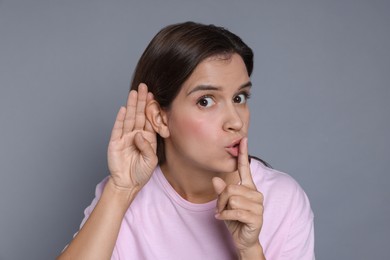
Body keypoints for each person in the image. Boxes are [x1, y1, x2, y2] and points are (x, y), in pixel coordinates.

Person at [58, 21, 315, 260]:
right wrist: (120, 192)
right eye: (206, 101)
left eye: (240, 98)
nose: (236, 121)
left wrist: (250, 250)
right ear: (159, 118)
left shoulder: (281, 199)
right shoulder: (122, 197)